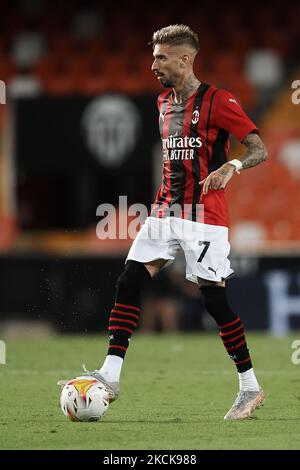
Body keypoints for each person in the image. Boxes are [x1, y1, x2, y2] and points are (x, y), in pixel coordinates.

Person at [59, 24, 267, 420]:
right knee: (129, 280)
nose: (153, 63)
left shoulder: (219, 101)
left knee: (214, 300)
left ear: (185, 59)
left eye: (161, 57)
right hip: (165, 212)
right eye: (153, 56)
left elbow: (259, 148)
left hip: (204, 216)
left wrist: (232, 165)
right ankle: (111, 374)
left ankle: (249, 386)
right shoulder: (161, 103)